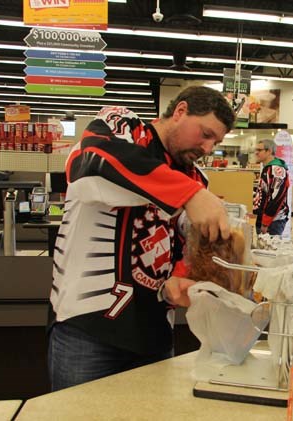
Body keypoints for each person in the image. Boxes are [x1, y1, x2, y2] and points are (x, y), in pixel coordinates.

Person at [48, 86, 236, 391]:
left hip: (154, 336)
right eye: (205, 133)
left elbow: (184, 247)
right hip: (88, 328)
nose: (207, 147)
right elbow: (88, 163)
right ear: (179, 111)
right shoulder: (123, 127)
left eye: (215, 141)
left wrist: (182, 276)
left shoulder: (196, 178)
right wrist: (188, 195)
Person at [252, 138, 290, 235]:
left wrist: (265, 222)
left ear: (269, 151)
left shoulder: (276, 170)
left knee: (270, 248)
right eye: (255, 150)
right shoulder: (267, 168)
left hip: (273, 221)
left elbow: (277, 197)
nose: (256, 153)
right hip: (263, 219)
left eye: (259, 150)